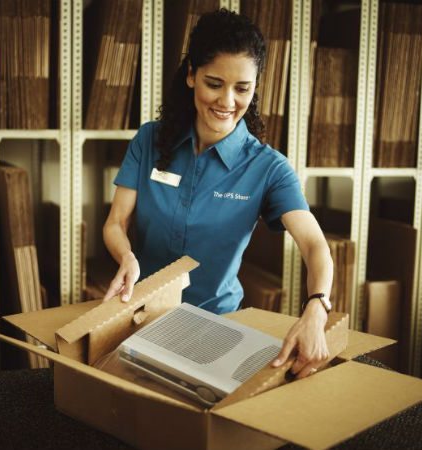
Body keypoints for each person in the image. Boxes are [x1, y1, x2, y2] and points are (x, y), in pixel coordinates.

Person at [102, 9, 333, 379]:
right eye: (214, 83)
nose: (227, 101)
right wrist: (126, 256)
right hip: (137, 321)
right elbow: (116, 222)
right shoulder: (150, 140)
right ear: (191, 75)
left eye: (242, 88)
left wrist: (317, 308)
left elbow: (315, 245)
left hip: (214, 333)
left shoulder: (268, 168)